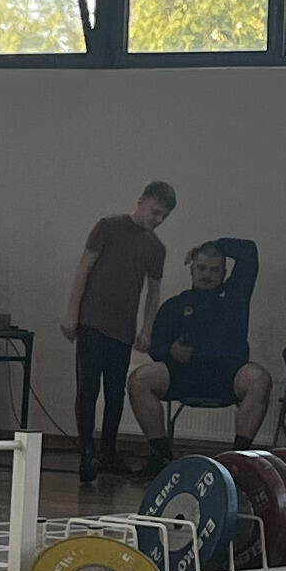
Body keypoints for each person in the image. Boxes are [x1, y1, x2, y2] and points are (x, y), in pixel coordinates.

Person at [63, 182, 172, 485]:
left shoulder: (156, 248)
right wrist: (72, 314)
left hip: (122, 331)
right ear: (141, 201)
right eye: (155, 212)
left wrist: (147, 328)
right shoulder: (107, 228)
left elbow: (153, 292)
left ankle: (108, 451)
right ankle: (87, 451)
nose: (157, 220)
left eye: (163, 216)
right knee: (88, 389)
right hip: (92, 323)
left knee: (115, 393)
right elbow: (83, 270)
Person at [128, 236, 270, 457]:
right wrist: (170, 351)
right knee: (139, 380)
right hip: (184, 375)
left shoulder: (236, 295)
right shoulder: (175, 305)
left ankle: (238, 458)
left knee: (259, 379)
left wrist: (213, 244)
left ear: (224, 273)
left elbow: (249, 250)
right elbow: (156, 346)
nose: (207, 274)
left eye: (214, 270)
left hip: (228, 376)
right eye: (202, 268)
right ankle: (161, 456)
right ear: (192, 270)